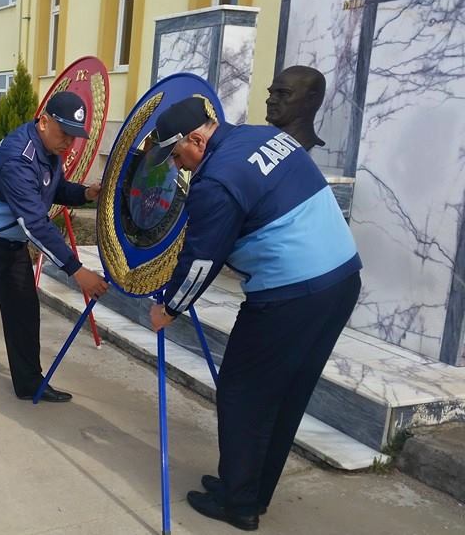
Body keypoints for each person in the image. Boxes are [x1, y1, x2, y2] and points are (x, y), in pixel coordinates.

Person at [145, 97, 361, 530]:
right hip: (341, 280)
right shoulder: (261, 136)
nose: (177, 166)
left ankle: (239, 504)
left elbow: (202, 260)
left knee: (242, 393)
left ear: (196, 140)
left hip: (291, 295)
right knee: (286, 395)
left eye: (175, 155)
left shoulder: (217, 180)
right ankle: (249, 488)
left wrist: (169, 307)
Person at [0, 91, 109, 420]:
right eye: (64, 133)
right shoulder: (18, 158)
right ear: (44, 122)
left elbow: (52, 188)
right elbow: (35, 224)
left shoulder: (48, 149)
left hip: (10, 245)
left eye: (74, 136)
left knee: (24, 314)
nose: (69, 143)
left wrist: (85, 193)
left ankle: (29, 382)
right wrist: (77, 271)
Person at [265, 65, 327, 151]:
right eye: (271, 93)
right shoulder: (255, 142)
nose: (270, 100)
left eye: (284, 94)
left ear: (311, 99)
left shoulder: (317, 153)